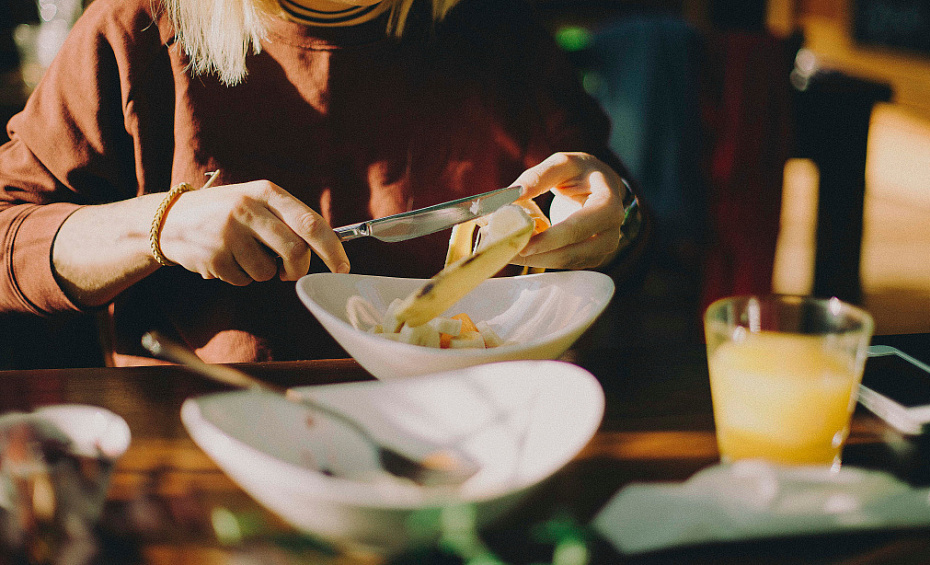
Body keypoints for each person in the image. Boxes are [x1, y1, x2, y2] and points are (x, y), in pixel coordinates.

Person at [0, 0, 647, 366]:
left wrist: (614, 222)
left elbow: (623, 217)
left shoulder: (496, 35)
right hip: (207, 446)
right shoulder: (135, 28)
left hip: (466, 439)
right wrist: (158, 226)